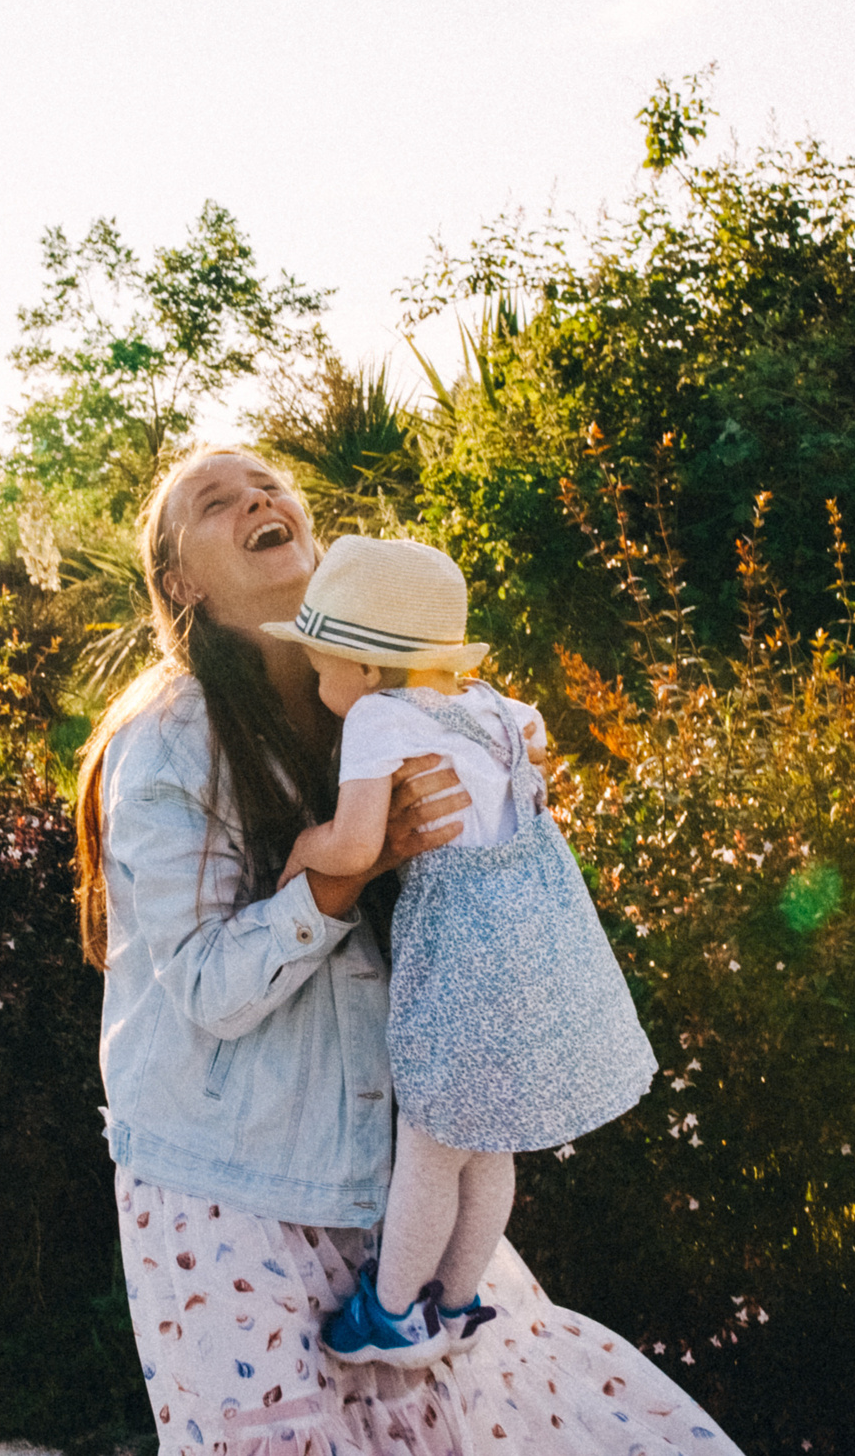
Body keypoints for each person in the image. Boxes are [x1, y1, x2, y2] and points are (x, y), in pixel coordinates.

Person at [76, 447, 740, 1456]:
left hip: (380, 1161)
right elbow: (209, 987)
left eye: (272, 485)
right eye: (219, 501)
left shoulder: (395, 705)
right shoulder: (168, 743)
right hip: (223, 1176)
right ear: (181, 583)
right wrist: (346, 866)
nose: (261, 496)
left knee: (487, 1425)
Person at [266, 536, 658, 1368]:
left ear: (366, 669)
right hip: (542, 956)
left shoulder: (378, 718)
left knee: (433, 1143)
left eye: (320, 664)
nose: (314, 680)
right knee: (490, 1143)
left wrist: (302, 849)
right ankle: (461, 1296)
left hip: (462, 962)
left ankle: (394, 1313)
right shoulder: (505, 712)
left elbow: (359, 843)